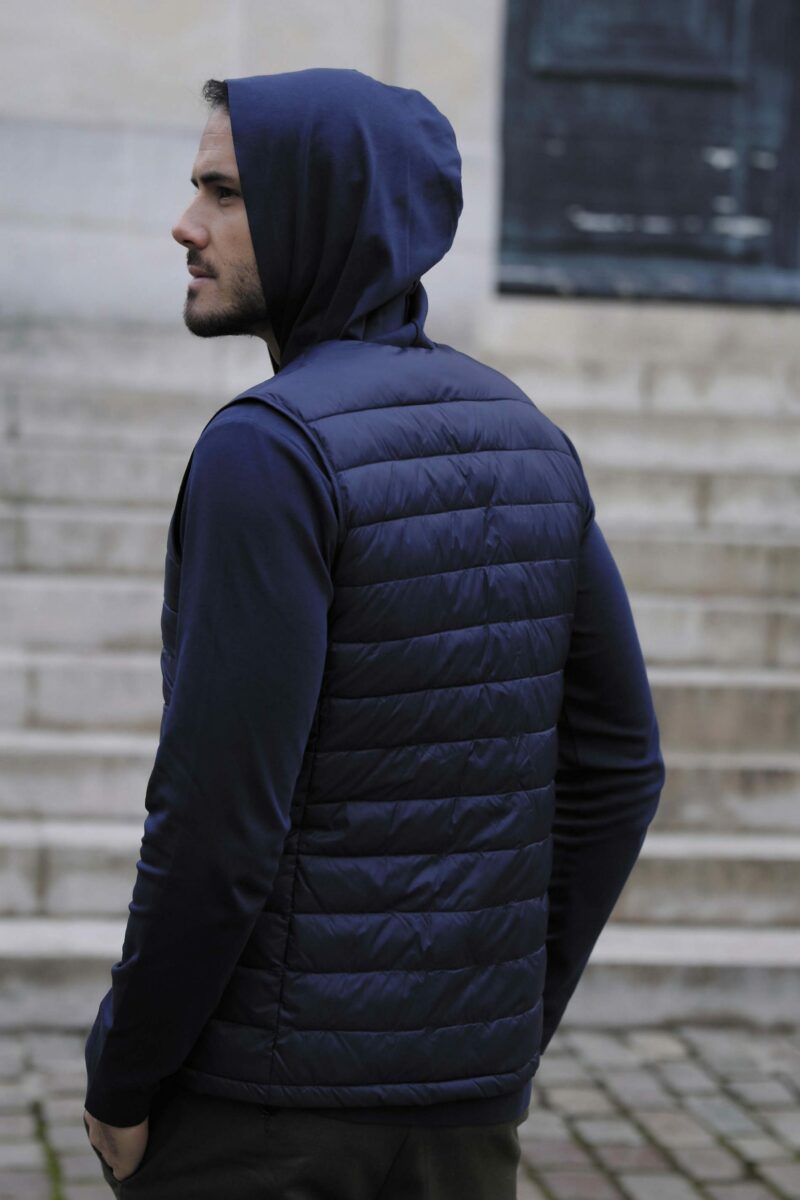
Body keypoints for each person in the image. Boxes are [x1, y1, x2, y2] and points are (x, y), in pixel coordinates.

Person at [81, 68, 665, 1199]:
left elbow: (218, 825)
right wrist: (497, 1026)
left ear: (323, 209)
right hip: (463, 1121)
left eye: (225, 193)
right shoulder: (528, 435)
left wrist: (123, 1074)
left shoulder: (267, 450)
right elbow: (621, 767)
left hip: (261, 1118)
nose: (185, 223)